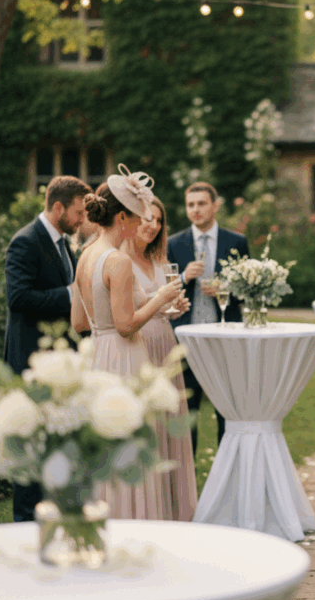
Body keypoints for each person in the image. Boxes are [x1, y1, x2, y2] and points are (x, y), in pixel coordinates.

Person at [72, 167, 183, 518]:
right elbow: (125, 325)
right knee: (132, 442)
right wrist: (161, 296)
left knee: (108, 442)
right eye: (136, 219)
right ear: (121, 216)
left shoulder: (86, 255)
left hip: (99, 358)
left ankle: (106, 516)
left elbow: (78, 322)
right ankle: (136, 521)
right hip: (124, 356)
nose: (140, 226)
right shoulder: (118, 261)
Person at [4, 174, 91, 521]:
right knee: (30, 448)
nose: (82, 219)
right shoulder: (25, 241)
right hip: (29, 361)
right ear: (58, 208)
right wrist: (71, 294)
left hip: (57, 363)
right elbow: (18, 298)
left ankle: (51, 518)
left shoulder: (64, 243)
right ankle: (25, 525)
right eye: (78, 211)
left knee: (53, 446)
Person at [122, 194, 198, 521]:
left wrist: (172, 308)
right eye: (146, 218)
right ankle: (147, 510)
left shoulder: (160, 260)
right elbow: (126, 314)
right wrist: (160, 302)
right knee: (148, 426)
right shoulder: (119, 261)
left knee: (169, 426)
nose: (152, 225)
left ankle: (173, 509)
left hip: (164, 344)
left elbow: (157, 308)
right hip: (138, 346)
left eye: (158, 220)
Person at [168, 181, 250, 450]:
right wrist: (183, 276)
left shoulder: (236, 242)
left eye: (201, 203)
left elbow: (250, 288)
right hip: (185, 341)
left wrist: (226, 288)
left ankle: (227, 474)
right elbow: (162, 291)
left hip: (225, 339)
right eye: (191, 204)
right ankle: (187, 483)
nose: (195, 210)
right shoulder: (173, 244)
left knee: (227, 411)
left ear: (215, 206)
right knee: (187, 413)